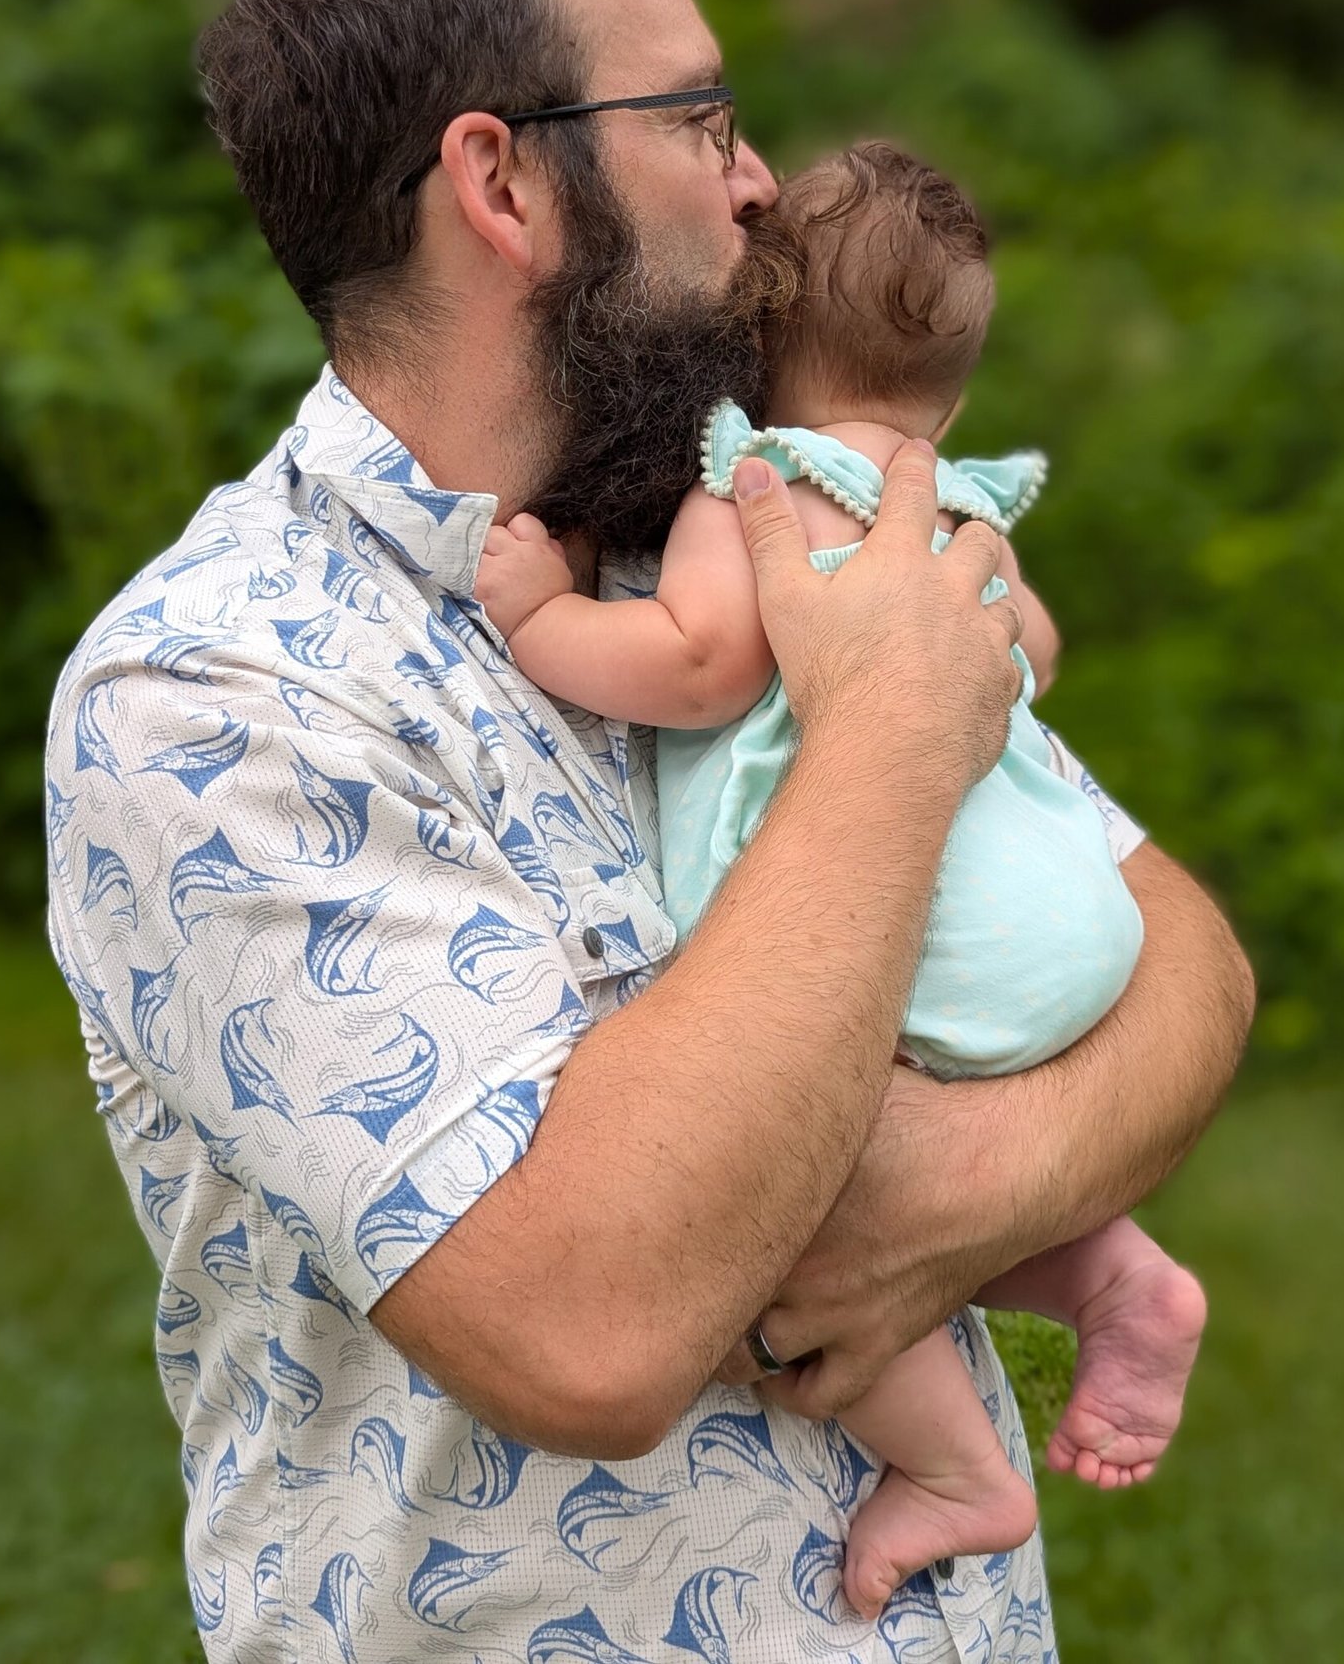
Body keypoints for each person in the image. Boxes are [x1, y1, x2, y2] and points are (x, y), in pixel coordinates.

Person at [45, 0, 1254, 1664]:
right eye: (700, 115)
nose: (760, 179)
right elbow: (590, 1331)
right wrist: (892, 736)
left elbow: (1192, 969)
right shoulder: (214, 694)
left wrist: (933, 1205)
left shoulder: (729, 525)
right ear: (504, 180)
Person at [474, 143, 1209, 1618]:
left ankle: (950, 1473)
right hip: (1068, 923)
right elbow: (1038, 655)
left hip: (936, 936)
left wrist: (543, 613)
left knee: (776, 1175)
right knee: (919, 1130)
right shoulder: (955, 512)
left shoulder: (759, 487)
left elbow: (692, 664)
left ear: (754, 338)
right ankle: (1112, 1271)